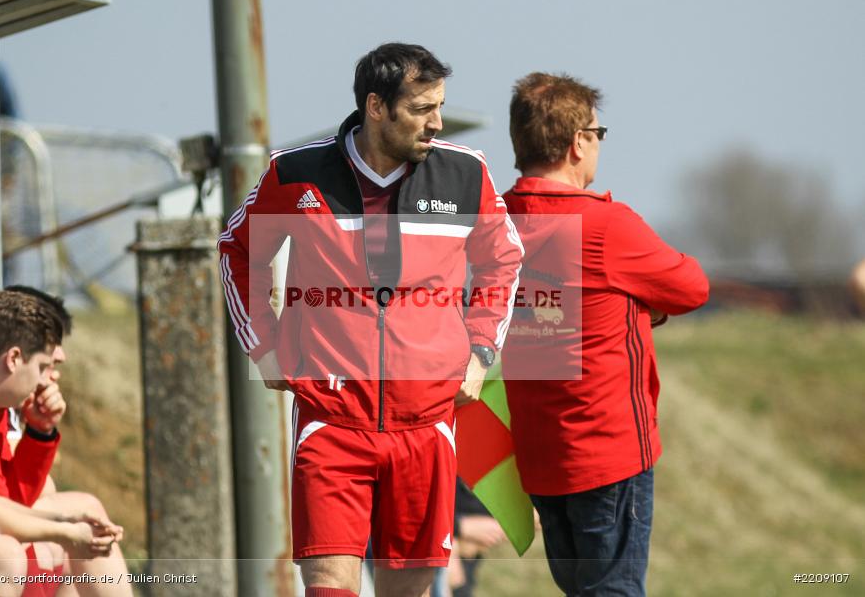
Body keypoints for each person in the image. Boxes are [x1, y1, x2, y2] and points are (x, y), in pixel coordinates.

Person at [219, 42, 522, 597]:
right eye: (421, 109)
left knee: (405, 590)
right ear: (376, 108)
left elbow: (504, 258)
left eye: (440, 107)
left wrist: (480, 351)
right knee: (330, 586)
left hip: (426, 422)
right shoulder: (295, 173)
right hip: (331, 420)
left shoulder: (465, 174)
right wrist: (262, 347)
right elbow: (237, 249)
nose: (436, 122)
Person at [500, 72, 709, 596]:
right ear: (577, 144)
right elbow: (691, 287)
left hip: (542, 459)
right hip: (607, 456)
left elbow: (544, 314)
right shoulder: (605, 225)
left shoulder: (497, 221)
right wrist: (637, 300)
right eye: (599, 134)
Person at [0, 286, 131, 597]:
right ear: (14, 356)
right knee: (53, 539)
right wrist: (65, 528)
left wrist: (40, 431)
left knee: (71, 532)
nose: (50, 375)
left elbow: (14, 491)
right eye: (46, 364)